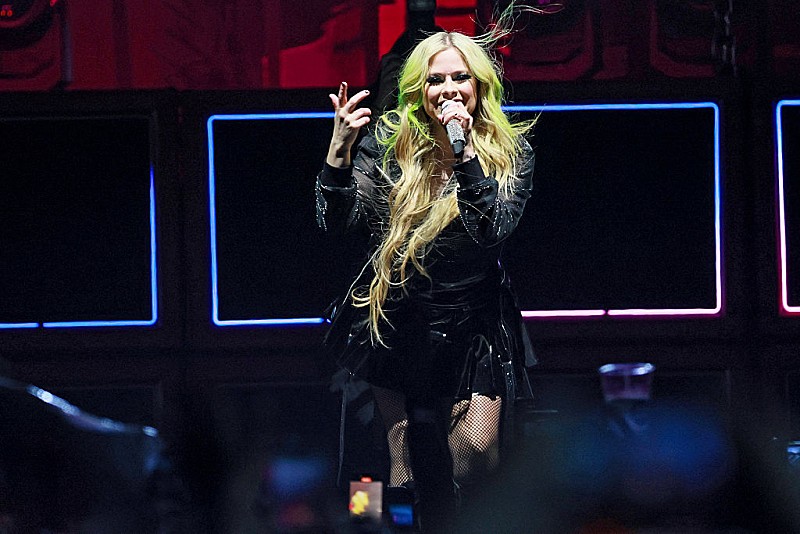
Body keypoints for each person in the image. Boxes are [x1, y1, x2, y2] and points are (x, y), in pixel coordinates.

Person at [316, 23, 536, 532]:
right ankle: (375, 530)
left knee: (475, 460)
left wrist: (464, 155)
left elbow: (491, 230)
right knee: (385, 470)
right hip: (393, 321)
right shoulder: (387, 147)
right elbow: (336, 226)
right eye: (437, 80)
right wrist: (338, 154)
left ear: (479, 85)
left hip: (471, 327)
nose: (449, 89)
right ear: (419, 90)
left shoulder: (510, 153)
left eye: (461, 77)